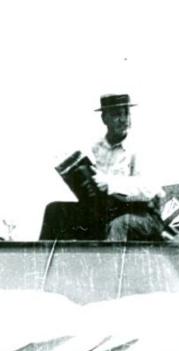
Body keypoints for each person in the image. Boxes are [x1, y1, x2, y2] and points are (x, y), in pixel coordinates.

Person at [39, 94, 166, 242]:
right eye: (116, 114)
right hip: (108, 211)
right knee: (55, 210)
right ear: (104, 118)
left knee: (120, 225)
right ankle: (41, 262)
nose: (124, 119)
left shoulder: (141, 146)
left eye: (126, 113)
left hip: (145, 216)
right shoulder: (97, 148)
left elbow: (149, 189)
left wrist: (110, 183)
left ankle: (109, 265)